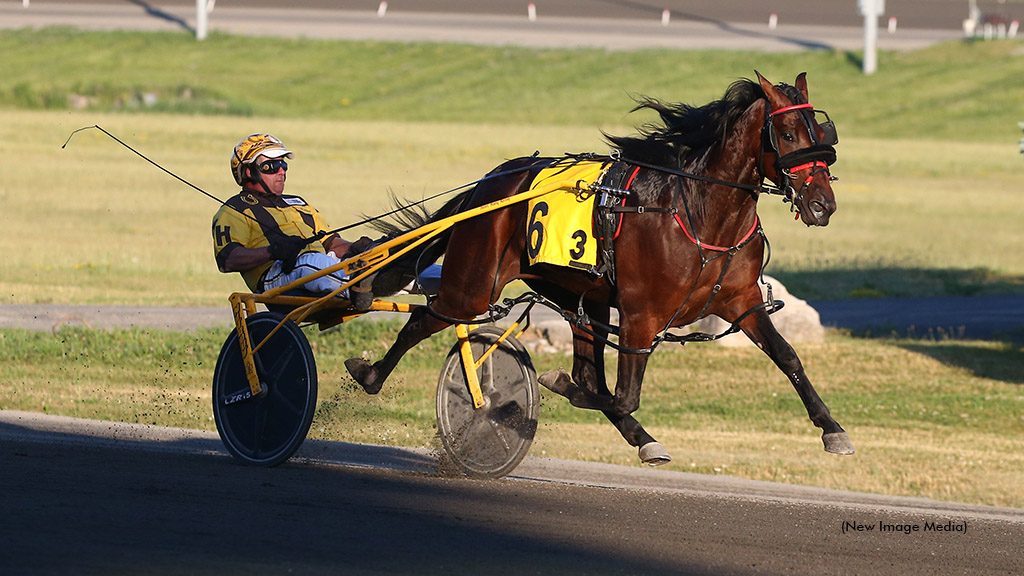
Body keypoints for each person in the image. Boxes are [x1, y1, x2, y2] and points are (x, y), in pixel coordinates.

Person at [212, 133, 375, 308]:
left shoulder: (299, 203)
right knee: (308, 262)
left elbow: (331, 244)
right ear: (249, 172)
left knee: (371, 255)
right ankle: (358, 281)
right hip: (277, 279)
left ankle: (386, 277)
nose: (281, 171)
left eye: (283, 165)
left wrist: (357, 248)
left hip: (320, 268)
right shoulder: (235, 209)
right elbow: (227, 260)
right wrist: (273, 252)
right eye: (272, 166)